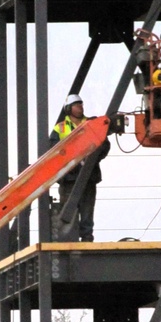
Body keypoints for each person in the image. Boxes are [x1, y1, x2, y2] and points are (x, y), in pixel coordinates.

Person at [49, 95, 110, 242]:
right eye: (76, 105)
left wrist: (93, 159)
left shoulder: (91, 124)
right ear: (69, 109)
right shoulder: (60, 128)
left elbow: (104, 145)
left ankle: (87, 238)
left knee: (87, 209)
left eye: (81, 104)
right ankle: (67, 239)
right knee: (68, 209)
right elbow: (53, 149)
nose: (80, 107)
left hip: (89, 175)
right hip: (69, 177)